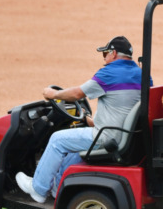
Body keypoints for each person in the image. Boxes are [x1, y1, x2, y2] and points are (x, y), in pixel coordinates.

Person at [15, 36, 146, 203]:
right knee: (73, 151)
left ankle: (38, 189)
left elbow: (77, 94)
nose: (104, 58)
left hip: (108, 138)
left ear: (113, 53)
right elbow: (122, 106)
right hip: (125, 136)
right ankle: (57, 189)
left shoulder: (109, 72)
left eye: (105, 54)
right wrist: (92, 120)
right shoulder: (142, 75)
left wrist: (53, 94)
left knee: (57, 140)